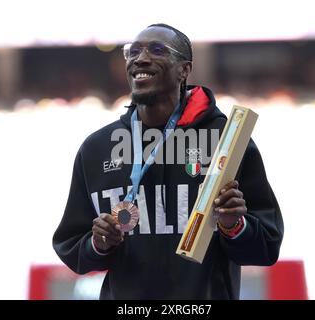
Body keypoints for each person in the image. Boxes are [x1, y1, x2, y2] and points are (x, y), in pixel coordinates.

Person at [53, 24, 284, 299]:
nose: (140, 58)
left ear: (184, 69)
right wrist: (99, 243)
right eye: (133, 52)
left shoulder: (227, 141)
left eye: (157, 50)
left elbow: (266, 247)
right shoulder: (97, 149)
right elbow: (72, 249)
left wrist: (234, 226)